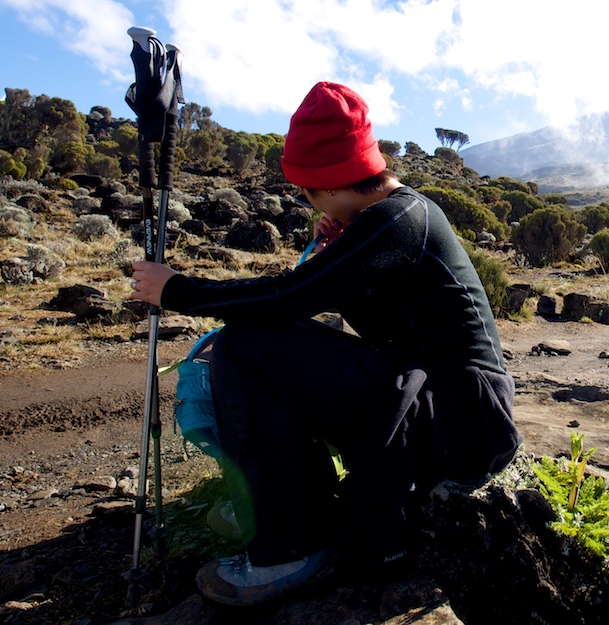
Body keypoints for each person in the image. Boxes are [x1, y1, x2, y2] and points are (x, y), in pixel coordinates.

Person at [130, 81, 522, 606]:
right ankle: (291, 505)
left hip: (463, 418)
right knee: (256, 340)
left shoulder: (398, 219)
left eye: (305, 191)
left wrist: (178, 290)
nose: (305, 200)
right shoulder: (388, 217)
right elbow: (370, 319)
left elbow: (290, 296)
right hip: (438, 400)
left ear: (330, 185)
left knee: (247, 347)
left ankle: (292, 545)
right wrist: (340, 245)